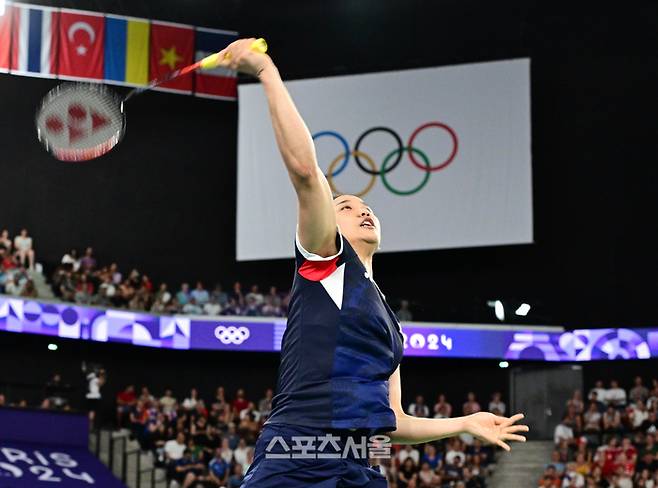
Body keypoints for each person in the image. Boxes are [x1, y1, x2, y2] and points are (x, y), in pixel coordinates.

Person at [220, 38, 528, 488]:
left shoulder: (391, 324)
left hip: (360, 464)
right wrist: (266, 73)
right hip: (295, 457)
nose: (363, 210)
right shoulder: (326, 266)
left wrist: (463, 423)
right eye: (345, 206)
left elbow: (394, 420)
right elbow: (307, 175)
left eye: (366, 205)